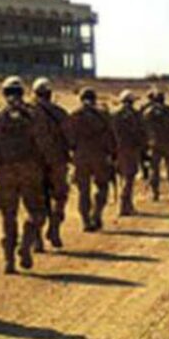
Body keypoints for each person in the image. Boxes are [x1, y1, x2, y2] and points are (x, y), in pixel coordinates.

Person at [0, 77, 48, 274]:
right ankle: (26, 243)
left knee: (8, 217)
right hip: (30, 172)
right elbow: (45, 145)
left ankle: (9, 261)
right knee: (37, 212)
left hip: (5, 173)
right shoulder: (33, 116)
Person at [65, 87, 117, 232]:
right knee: (102, 186)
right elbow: (111, 136)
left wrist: (74, 153)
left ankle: (86, 221)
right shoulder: (103, 115)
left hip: (81, 157)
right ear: (94, 99)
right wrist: (113, 154)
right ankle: (96, 214)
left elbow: (69, 139)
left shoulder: (74, 115)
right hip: (100, 156)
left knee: (83, 190)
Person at [30, 77, 71, 250]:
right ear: (50, 93)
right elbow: (70, 137)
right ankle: (54, 227)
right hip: (57, 161)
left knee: (36, 200)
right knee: (60, 197)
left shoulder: (27, 113)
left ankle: (37, 239)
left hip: (34, 163)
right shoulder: (60, 113)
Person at [142, 91, 169, 200]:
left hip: (154, 144)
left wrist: (146, 143)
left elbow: (143, 129)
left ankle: (155, 193)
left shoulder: (148, 112)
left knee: (154, 169)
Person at [112, 90, 146, 216]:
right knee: (129, 178)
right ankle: (124, 206)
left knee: (122, 177)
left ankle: (127, 205)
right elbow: (141, 132)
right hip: (131, 149)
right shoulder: (135, 115)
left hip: (117, 149)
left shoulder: (114, 114)